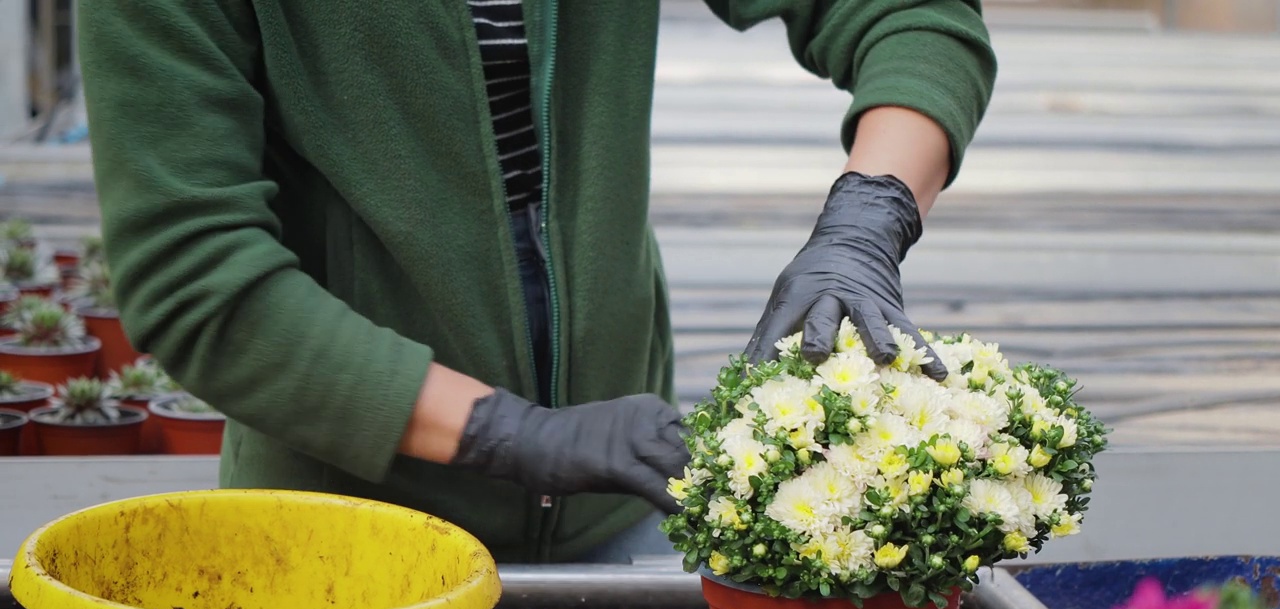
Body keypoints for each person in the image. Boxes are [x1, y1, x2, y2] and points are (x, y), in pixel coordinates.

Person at [76, 0, 996, 564]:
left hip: (625, 512)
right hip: (339, 541)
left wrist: (866, 222)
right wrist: (509, 435)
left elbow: (913, 13)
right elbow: (194, 273)